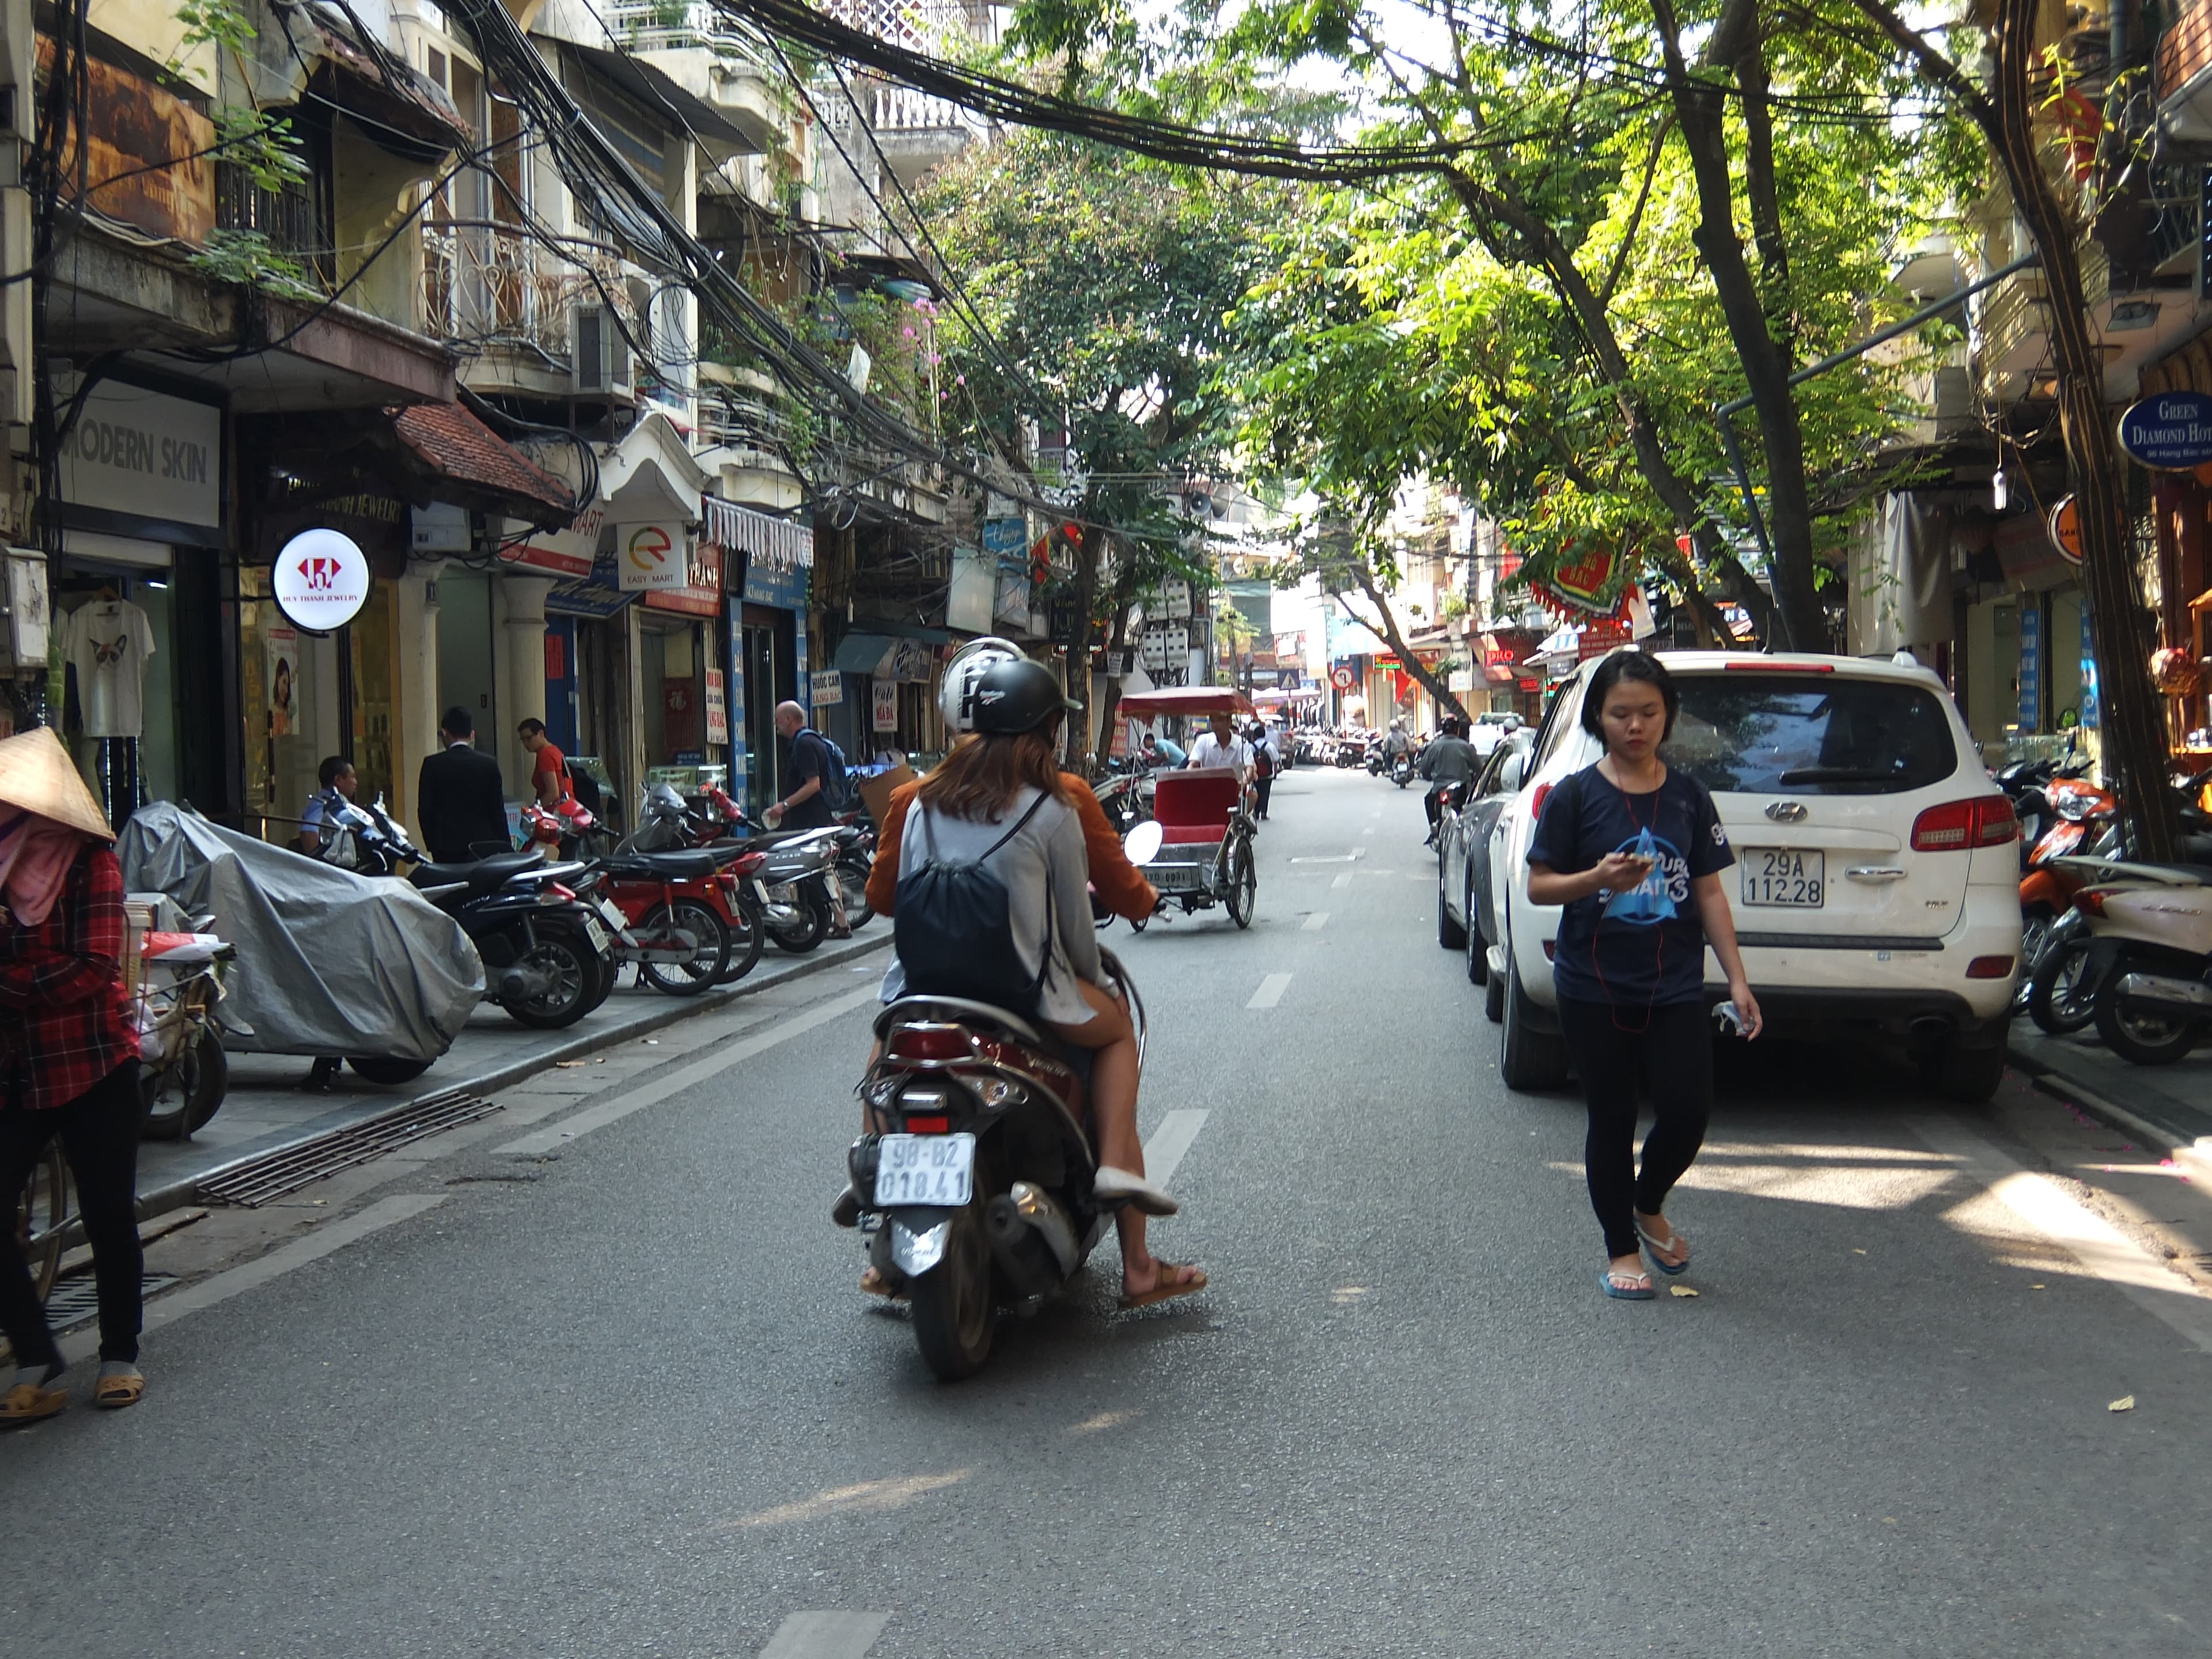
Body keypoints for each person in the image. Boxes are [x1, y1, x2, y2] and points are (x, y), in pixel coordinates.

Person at [874, 658, 1202, 1309]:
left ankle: (879, 1193)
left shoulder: (919, 807)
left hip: (925, 992)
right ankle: (1133, 1247)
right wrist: (1097, 975)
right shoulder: (1053, 809)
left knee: (884, 1057)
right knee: (1114, 1034)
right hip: (1026, 995)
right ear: (1044, 732)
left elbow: (899, 900)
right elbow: (1078, 939)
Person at [1524, 651, 1762, 1302]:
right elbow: (1541, 886)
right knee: (1612, 1115)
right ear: (1599, 717)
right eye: (1621, 713)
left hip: (1677, 984)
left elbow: (1710, 893)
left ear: (1668, 717)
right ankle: (1622, 1250)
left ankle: (1647, 1202)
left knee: (1688, 1112)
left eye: (1649, 713)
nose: (1636, 726)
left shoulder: (1688, 796)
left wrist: (1737, 981)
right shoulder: (1575, 796)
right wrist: (1597, 879)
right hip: (1593, 986)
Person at [0, 728, 147, 1420]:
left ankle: (119, 1353)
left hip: (92, 1061)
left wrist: (9, 981)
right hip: (18, 1071)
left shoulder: (91, 864)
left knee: (108, 1213)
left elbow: (91, 969)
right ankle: (36, 1356)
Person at [416, 706, 509, 863]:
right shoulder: (489, 764)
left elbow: (425, 811)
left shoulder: (433, 764)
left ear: (445, 733)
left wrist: (433, 844)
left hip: (446, 846)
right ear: (472, 735)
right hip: (483, 845)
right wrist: (505, 843)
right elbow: (498, 811)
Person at [764, 702, 836, 833]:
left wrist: (784, 806)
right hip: (810, 820)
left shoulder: (805, 744)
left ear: (788, 719)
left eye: (777, 719)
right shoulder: (807, 740)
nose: (775, 724)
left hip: (811, 823)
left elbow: (814, 784)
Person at [1416, 717, 1481, 844]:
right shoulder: (1465, 747)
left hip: (1439, 789)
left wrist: (1429, 777)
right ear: (1457, 730)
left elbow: (1424, 768)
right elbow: (1479, 768)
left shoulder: (1435, 747)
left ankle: (1433, 827)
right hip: (1462, 790)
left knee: (1428, 800)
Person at [299, 755, 357, 855]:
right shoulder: (323, 804)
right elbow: (308, 832)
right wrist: (320, 863)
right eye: (352, 777)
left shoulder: (340, 804)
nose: (355, 782)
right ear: (338, 780)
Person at [517, 719, 571, 811]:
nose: (525, 743)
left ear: (541, 734)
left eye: (529, 738)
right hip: (565, 809)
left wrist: (533, 810)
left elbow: (553, 793)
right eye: (523, 740)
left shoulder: (545, 754)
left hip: (553, 813)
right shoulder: (555, 751)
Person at [1246, 719, 1280, 821]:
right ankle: (1264, 813)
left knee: (1256, 793)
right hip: (1267, 775)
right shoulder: (1269, 746)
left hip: (1255, 775)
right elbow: (1275, 759)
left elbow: (1247, 761)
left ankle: (1256, 813)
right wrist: (1275, 771)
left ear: (1254, 736)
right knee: (1266, 793)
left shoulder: (1251, 747)